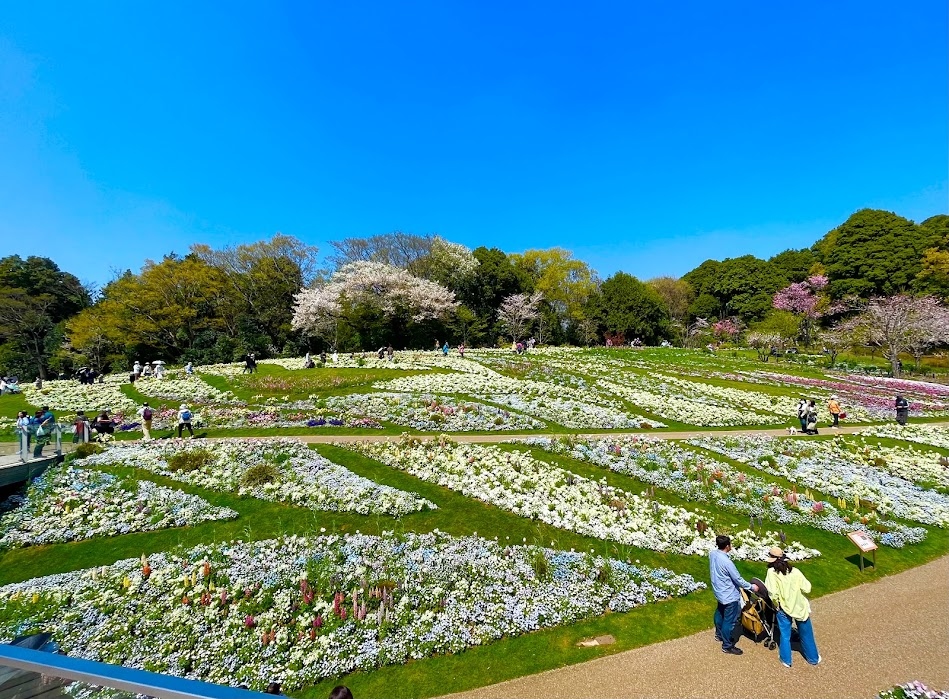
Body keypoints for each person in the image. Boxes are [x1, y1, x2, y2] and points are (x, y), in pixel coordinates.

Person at [764, 546, 821, 668]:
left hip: (783, 608)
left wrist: (776, 604)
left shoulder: (771, 573)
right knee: (807, 634)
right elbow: (807, 588)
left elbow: (773, 593)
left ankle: (786, 660)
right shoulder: (795, 571)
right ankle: (813, 658)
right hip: (799, 607)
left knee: (785, 635)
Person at [709, 534, 758, 655]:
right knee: (729, 621)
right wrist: (751, 587)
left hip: (719, 592)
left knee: (719, 613)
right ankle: (727, 645)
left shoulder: (712, 554)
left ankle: (719, 635)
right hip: (729, 595)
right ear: (727, 546)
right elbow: (738, 579)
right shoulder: (727, 562)